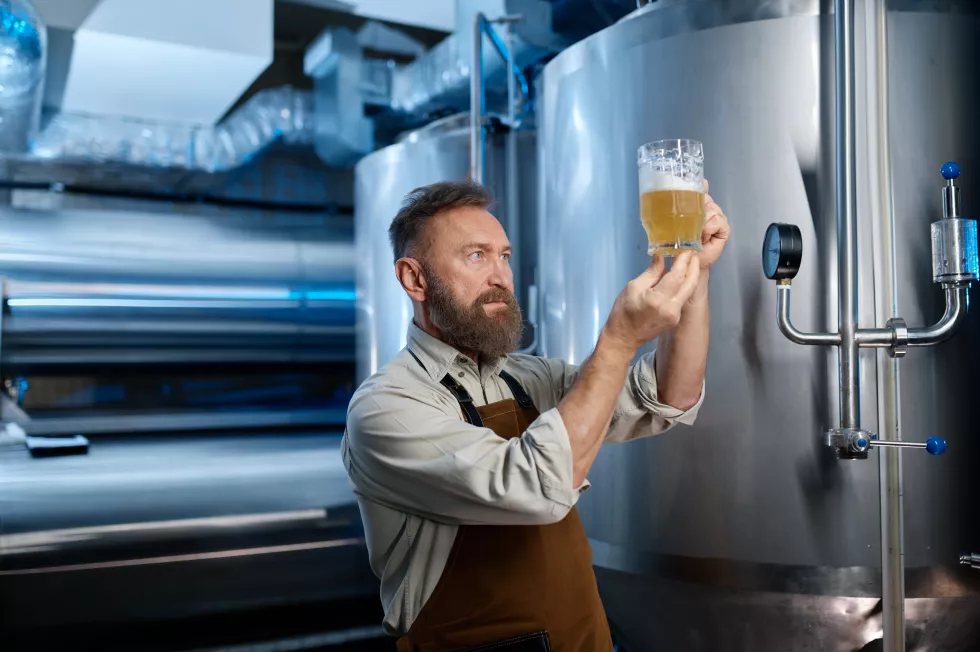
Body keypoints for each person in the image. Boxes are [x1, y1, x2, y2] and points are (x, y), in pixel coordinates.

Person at [342, 179, 730, 651]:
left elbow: (669, 394)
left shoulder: (529, 378)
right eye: (475, 255)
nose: (501, 276)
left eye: (504, 256)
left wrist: (695, 276)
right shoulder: (387, 406)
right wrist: (619, 340)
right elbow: (536, 486)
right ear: (415, 279)